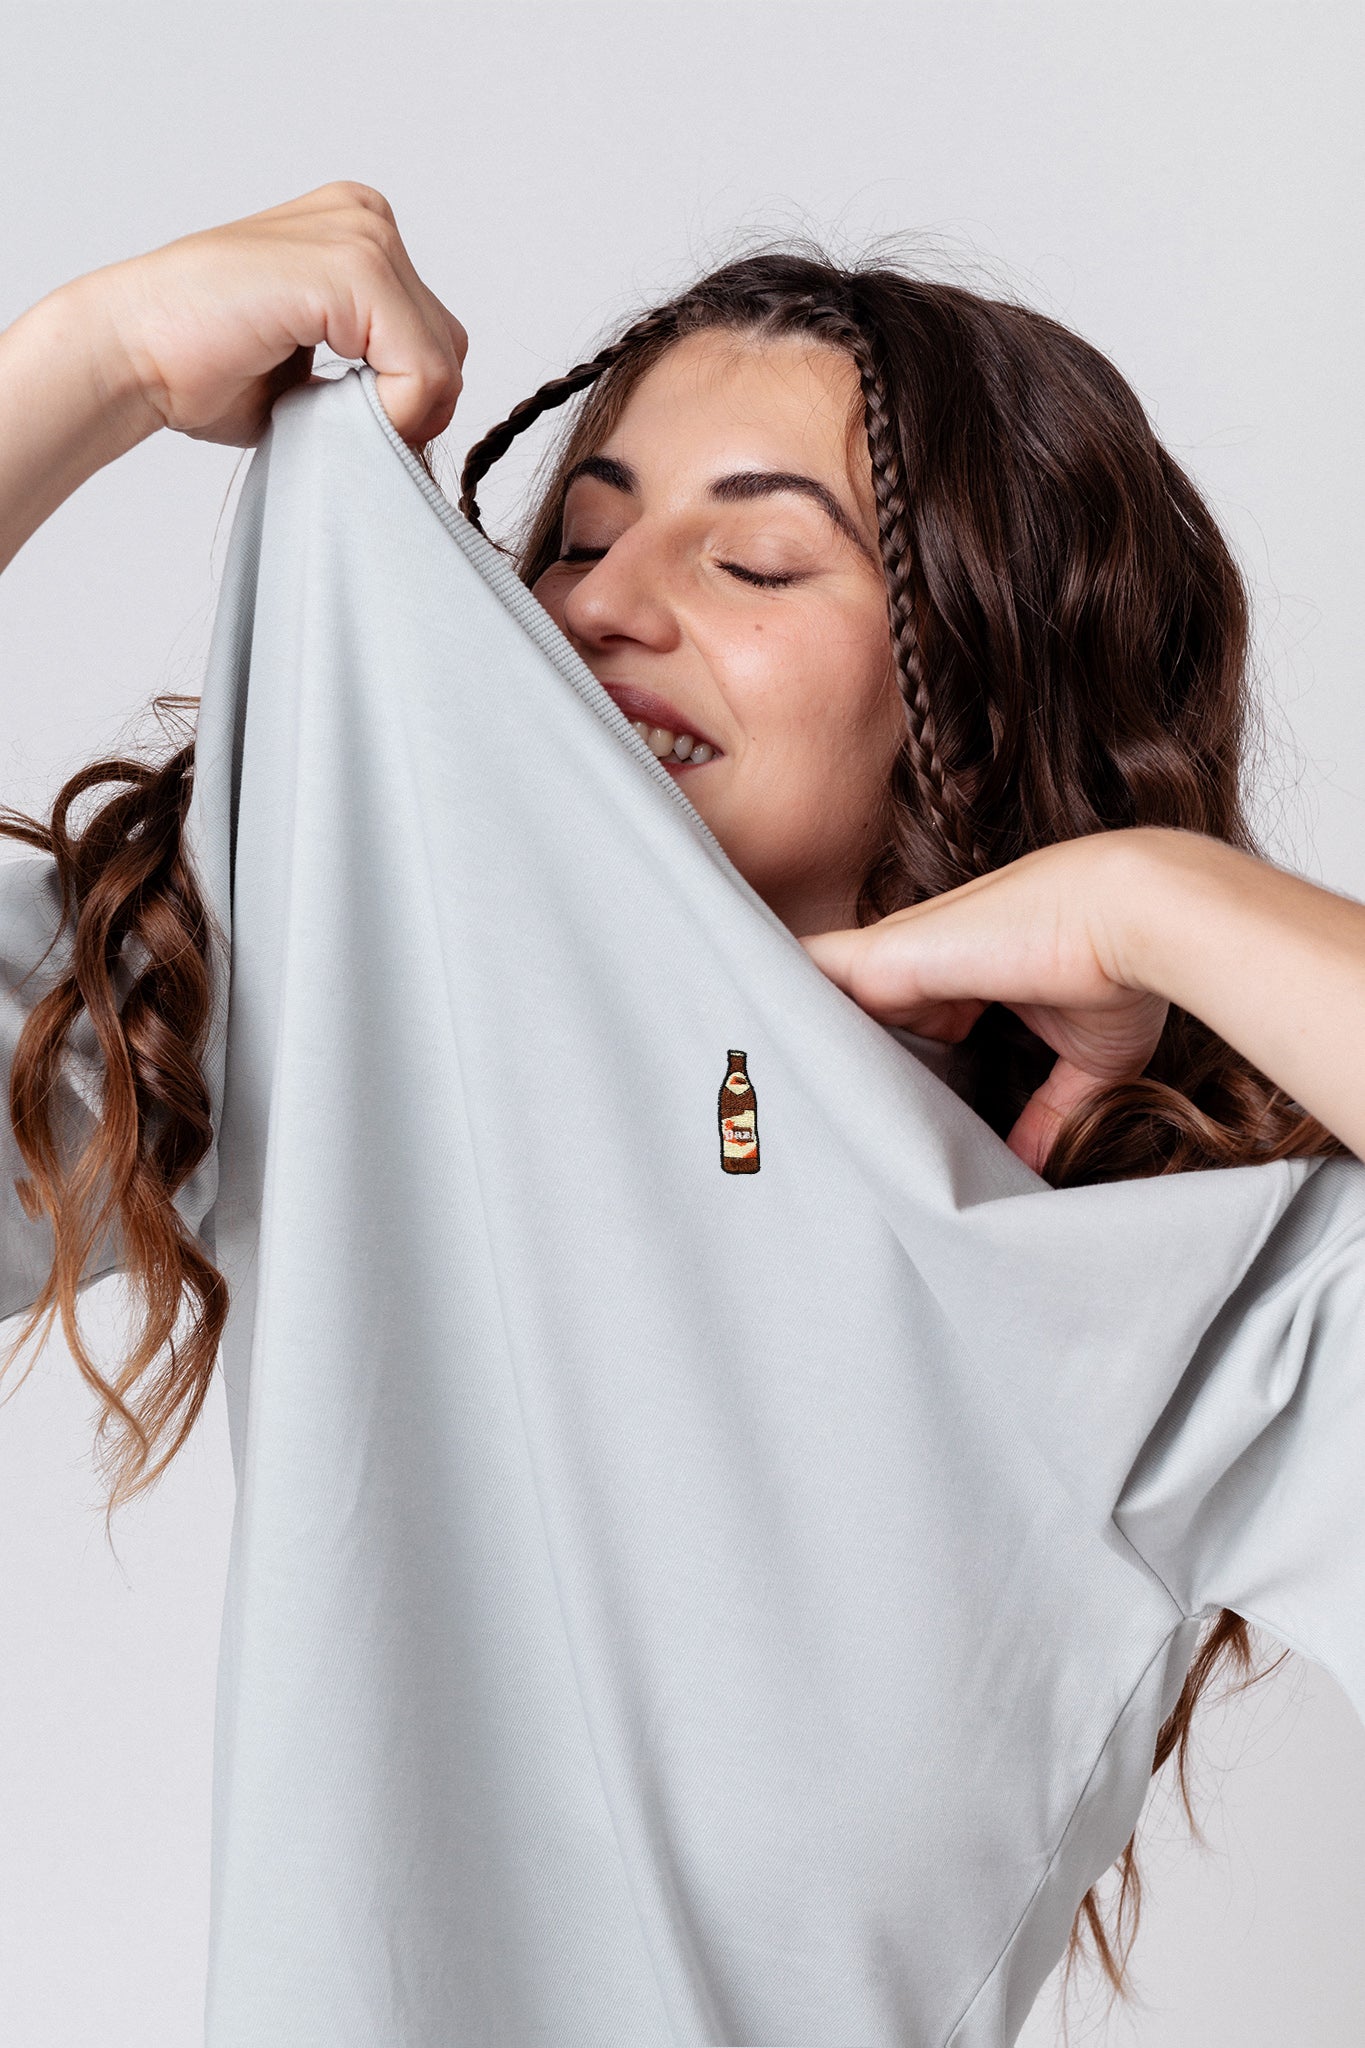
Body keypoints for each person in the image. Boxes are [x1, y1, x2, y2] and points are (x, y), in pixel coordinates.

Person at [2, 179, 1363, 2011]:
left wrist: (1164, 905)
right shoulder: (305, 1033)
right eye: (574, 541)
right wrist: (83, 363)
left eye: (757, 563)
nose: (600, 607)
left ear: (976, 694)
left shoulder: (1147, 1304)